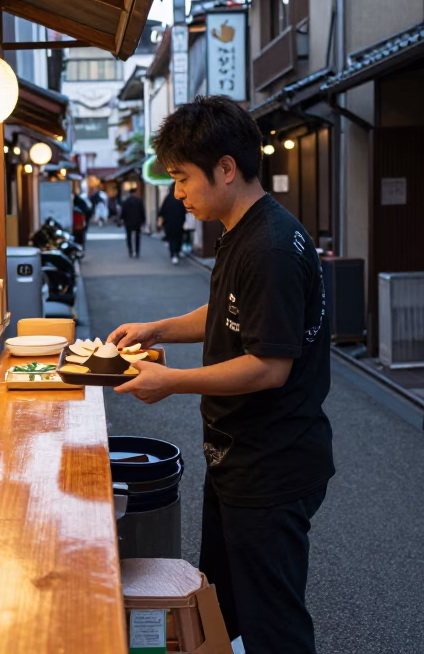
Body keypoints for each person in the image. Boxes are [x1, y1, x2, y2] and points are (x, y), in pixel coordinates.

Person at [109, 95, 333, 654]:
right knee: (226, 607)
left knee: (274, 623)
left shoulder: (272, 247)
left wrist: (173, 381)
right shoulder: (242, 227)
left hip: (271, 466)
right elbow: (229, 313)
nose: (177, 192)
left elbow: (268, 367)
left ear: (226, 169)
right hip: (238, 458)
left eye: (182, 178)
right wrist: (158, 329)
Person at [158, 186, 186, 264]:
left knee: (171, 239)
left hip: (169, 223)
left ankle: (173, 254)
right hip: (179, 222)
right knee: (178, 237)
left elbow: (162, 211)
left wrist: (161, 221)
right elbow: (184, 211)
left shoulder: (168, 198)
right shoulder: (180, 199)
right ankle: (177, 252)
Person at [120, 186, 146, 258]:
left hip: (128, 222)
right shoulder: (139, 201)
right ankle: (137, 251)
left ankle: (130, 251)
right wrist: (143, 221)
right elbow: (142, 212)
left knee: (128, 237)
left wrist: (122, 219)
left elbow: (123, 212)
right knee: (137, 237)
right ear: (135, 193)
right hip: (137, 222)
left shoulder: (125, 202)